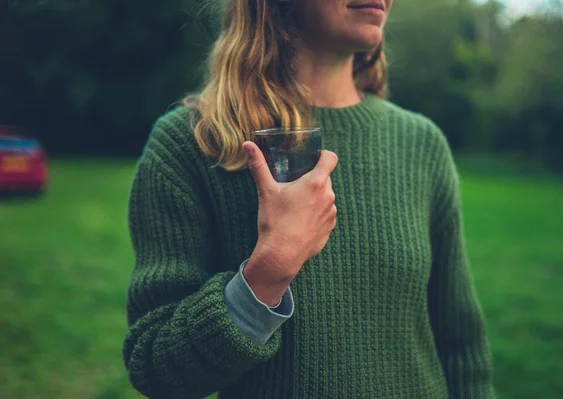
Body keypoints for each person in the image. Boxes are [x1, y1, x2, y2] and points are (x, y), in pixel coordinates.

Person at [123, 0, 495, 398]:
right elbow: (156, 368)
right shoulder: (195, 143)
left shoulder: (422, 144)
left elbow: (462, 351)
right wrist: (270, 269)